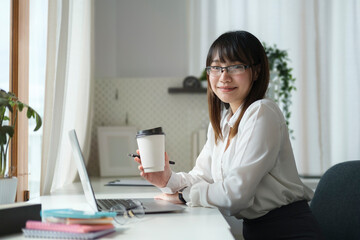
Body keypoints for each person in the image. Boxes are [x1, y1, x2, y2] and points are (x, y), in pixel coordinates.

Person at [133, 30, 324, 239]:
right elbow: (203, 176)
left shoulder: (262, 112)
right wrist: (167, 179)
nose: (224, 77)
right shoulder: (223, 122)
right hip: (258, 231)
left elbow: (235, 195)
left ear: (257, 71)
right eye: (216, 68)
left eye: (235, 66)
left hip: (290, 231)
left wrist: (183, 196)